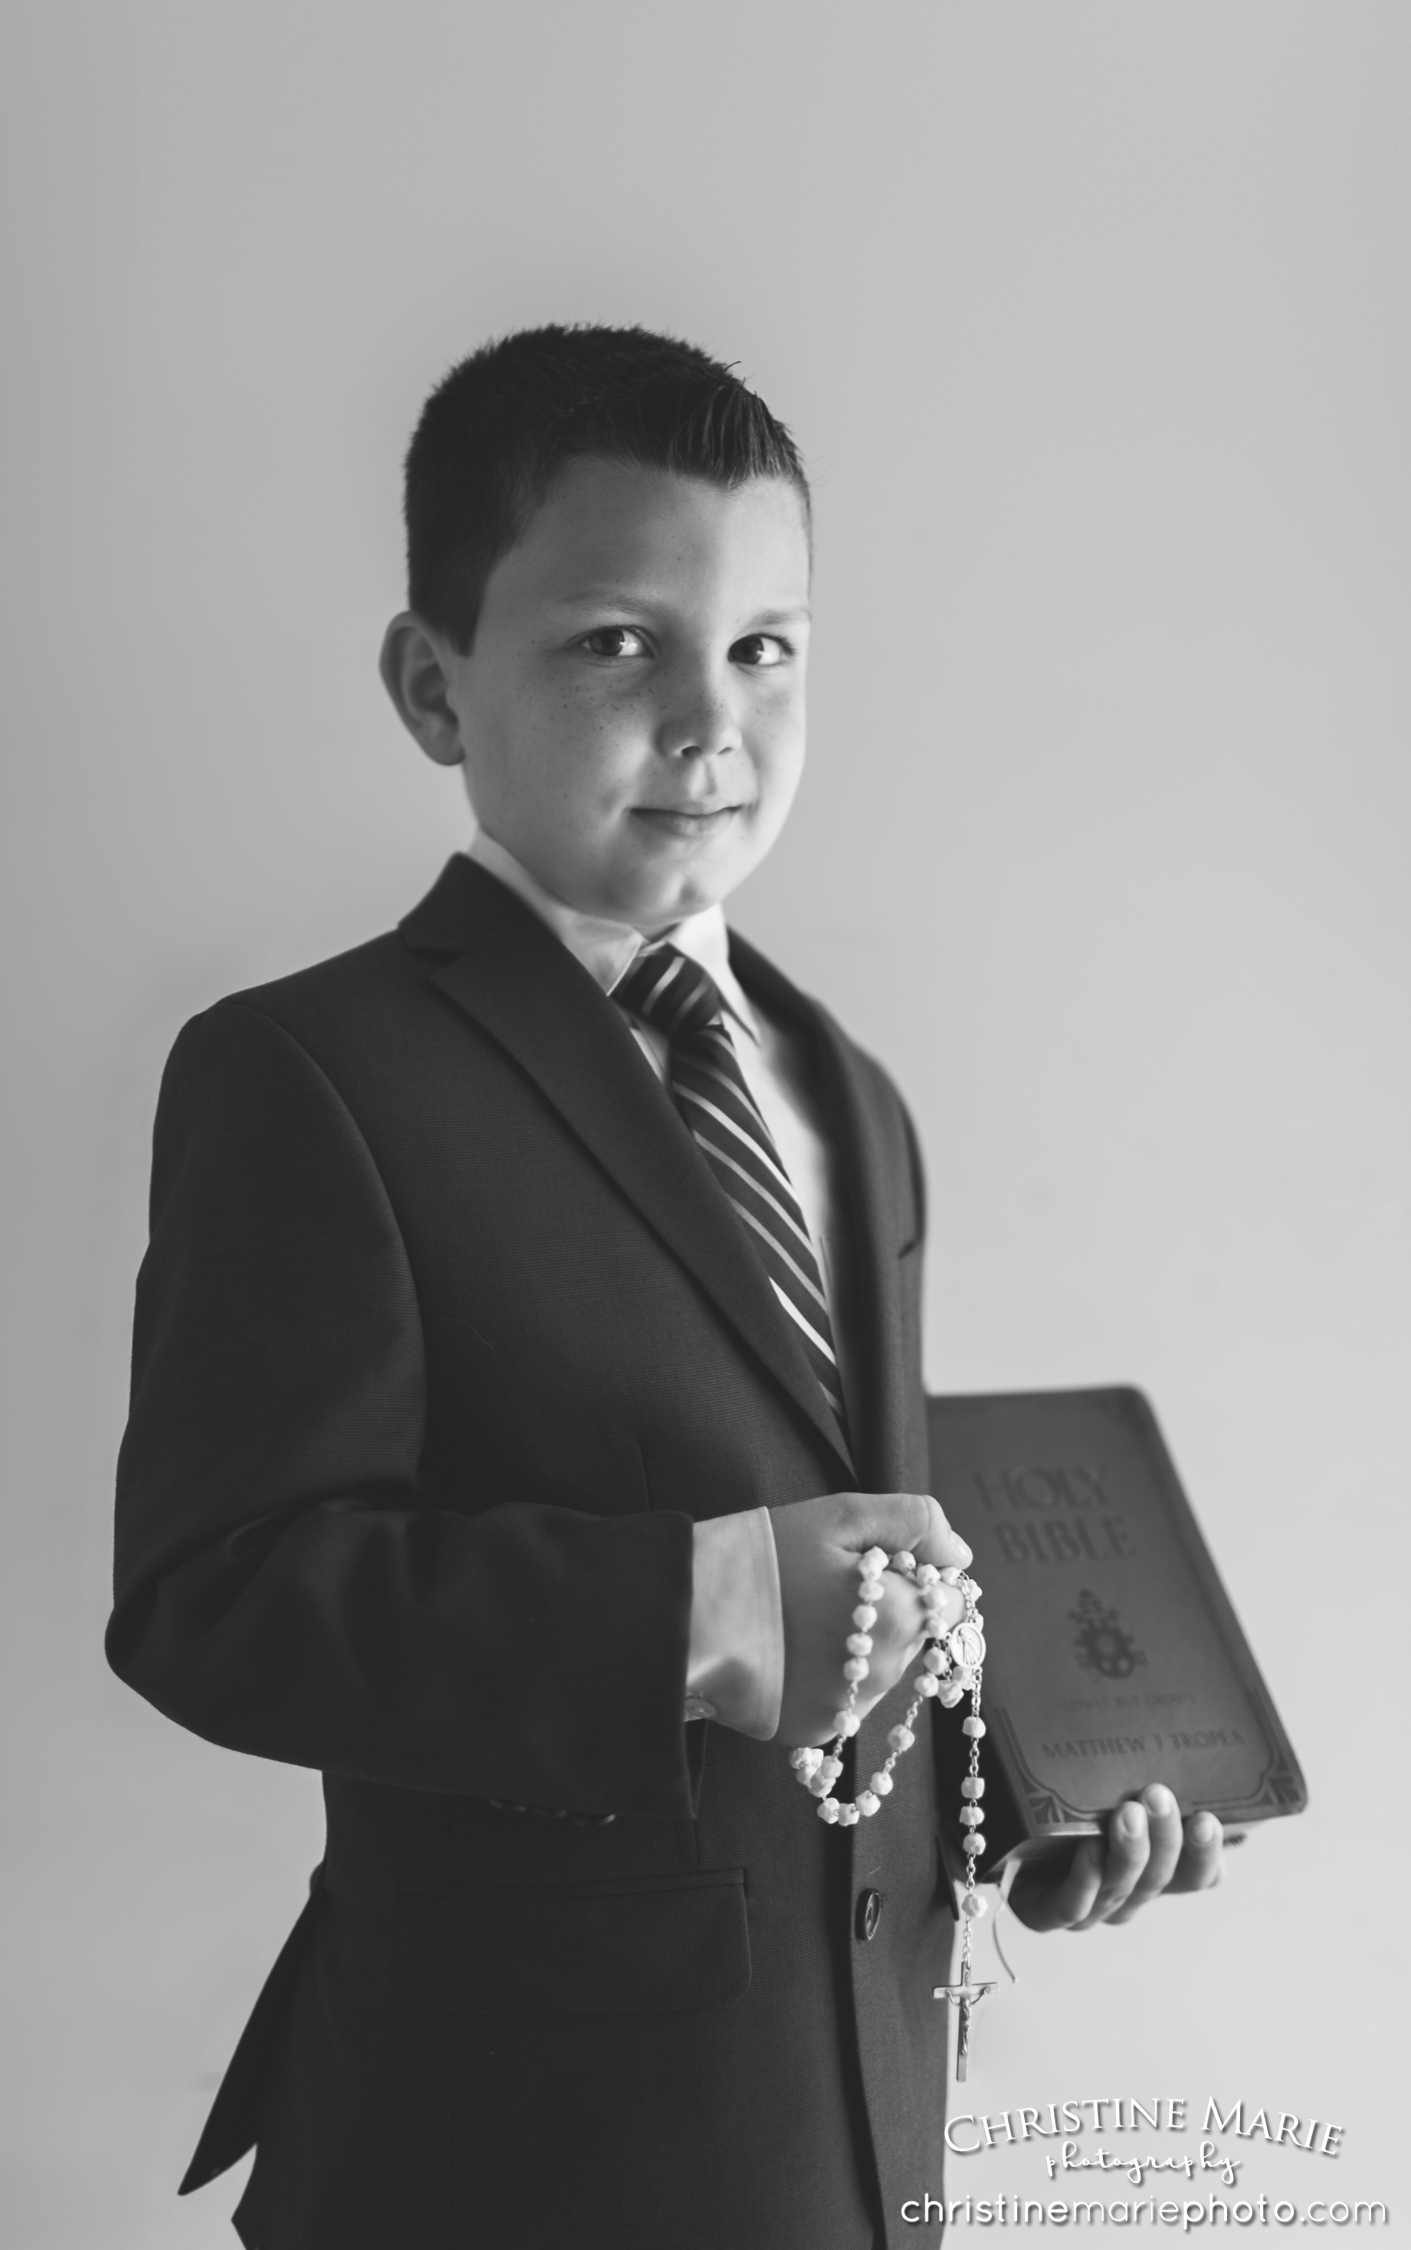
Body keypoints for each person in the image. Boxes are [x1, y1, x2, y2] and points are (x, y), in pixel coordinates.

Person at [105, 324, 1220, 2249]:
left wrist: (1027, 1802)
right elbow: (218, 1602)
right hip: (505, 2152)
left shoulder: (843, 1090)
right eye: (620, 641)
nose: (713, 722)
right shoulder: (312, 1073)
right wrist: (697, 1605)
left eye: (766, 645)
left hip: (849, 2143)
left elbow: (873, 1569)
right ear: (433, 685)